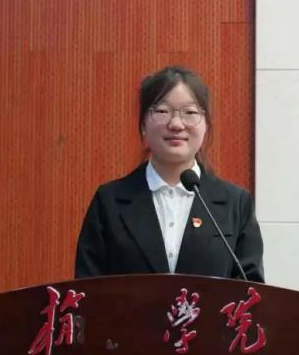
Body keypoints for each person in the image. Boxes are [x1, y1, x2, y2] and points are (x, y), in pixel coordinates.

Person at [75, 66, 264, 282]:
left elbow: (251, 292)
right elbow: (88, 291)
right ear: (143, 125)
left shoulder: (235, 203)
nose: (176, 124)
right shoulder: (109, 201)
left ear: (206, 125)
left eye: (190, 113)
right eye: (162, 111)